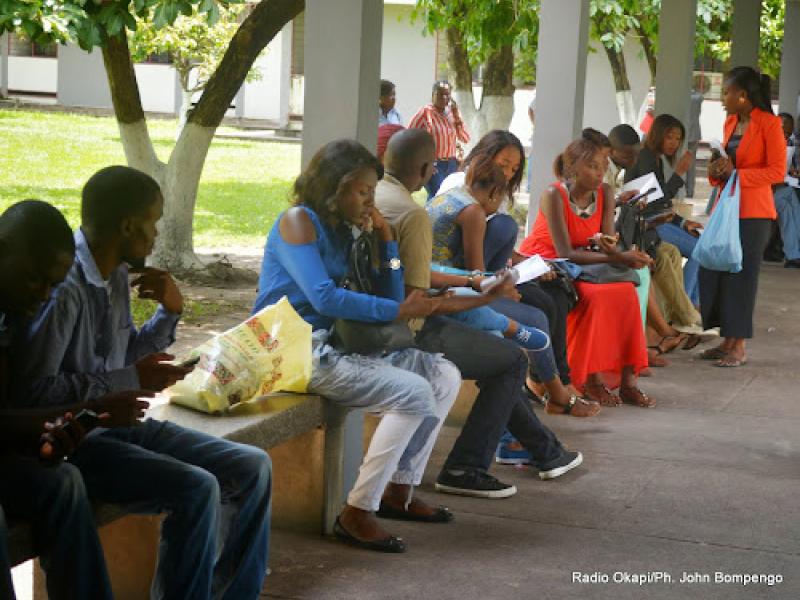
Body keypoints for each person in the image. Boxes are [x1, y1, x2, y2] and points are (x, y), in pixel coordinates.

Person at [13, 169, 273, 599]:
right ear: (128, 226)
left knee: (252, 466)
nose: (155, 234)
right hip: (82, 435)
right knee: (197, 488)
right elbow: (35, 392)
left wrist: (170, 314)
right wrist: (129, 379)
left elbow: (121, 354)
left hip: (119, 421)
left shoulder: (115, 274)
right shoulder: (65, 288)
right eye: (153, 222)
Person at [254, 139, 461, 552]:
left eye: (371, 192)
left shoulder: (348, 229)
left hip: (336, 345)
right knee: (414, 391)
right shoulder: (298, 221)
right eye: (362, 191)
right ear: (336, 185)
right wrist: (396, 309)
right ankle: (357, 511)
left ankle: (397, 490)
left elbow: (393, 286)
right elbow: (324, 298)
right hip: (292, 348)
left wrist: (387, 241)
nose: (369, 200)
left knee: (443, 375)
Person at [375, 129, 585, 498]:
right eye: (503, 167)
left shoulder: (383, 201)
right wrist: (479, 287)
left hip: (400, 312)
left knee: (510, 346)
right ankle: (467, 466)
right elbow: (417, 283)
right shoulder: (412, 214)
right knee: (507, 358)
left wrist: (476, 282)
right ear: (428, 169)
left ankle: (544, 449)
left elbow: (406, 272)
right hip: (405, 325)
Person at [0, 199, 156, 600]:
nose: (44, 295)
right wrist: (85, 411)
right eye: (35, 279)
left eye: (53, 284)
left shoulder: (13, 312)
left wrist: (55, 434)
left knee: (64, 480)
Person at [519, 136, 655, 407]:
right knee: (594, 297)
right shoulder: (554, 195)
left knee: (627, 292)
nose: (598, 173)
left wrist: (620, 252)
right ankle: (591, 380)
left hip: (588, 261)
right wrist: (618, 256)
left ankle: (629, 382)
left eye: (602, 166)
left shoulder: (604, 192)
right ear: (572, 168)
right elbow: (564, 252)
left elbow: (607, 239)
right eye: (592, 166)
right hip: (549, 262)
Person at [703, 67, 786, 367]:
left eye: (726, 92)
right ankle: (726, 340)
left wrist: (737, 174)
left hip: (754, 211)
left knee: (742, 275)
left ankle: (738, 347)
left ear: (743, 96)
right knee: (718, 271)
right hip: (726, 206)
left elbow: (777, 172)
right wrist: (717, 172)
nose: (723, 97)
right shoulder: (730, 121)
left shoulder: (769, 123)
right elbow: (725, 164)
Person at [625, 113, 705, 310]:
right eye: (670, 137)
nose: (674, 143)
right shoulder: (645, 157)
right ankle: (684, 306)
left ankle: (691, 303)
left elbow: (659, 204)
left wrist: (683, 223)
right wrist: (679, 173)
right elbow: (656, 198)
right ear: (658, 134)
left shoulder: (655, 159)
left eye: (678, 139)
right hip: (646, 224)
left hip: (657, 219)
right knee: (700, 251)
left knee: (703, 247)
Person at [408, 81, 470, 199]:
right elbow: (409, 136)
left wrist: (457, 116)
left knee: (450, 198)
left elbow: (465, 138)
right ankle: (428, 217)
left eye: (447, 95)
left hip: (451, 164)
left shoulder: (452, 113)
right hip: (434, 164)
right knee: (438, 196)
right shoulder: (426, 113)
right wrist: (423, 161)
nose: (444, 98)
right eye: (440, 94)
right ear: (433, 95)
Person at [774, 112, 800, 268]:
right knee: (787, 209)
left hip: (784, 186)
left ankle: (794, 253)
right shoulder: (766, 143)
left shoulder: (789, 143)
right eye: (783, 131)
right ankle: (792, 255)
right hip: (768, 191)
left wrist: (792, 172)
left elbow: (784, 167)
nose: (786, 135)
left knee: (795, 210)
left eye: (789, 132)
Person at [686, 87, 704, 197]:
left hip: (682, 134)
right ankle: (690, 190)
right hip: (694, 134)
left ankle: (682, 189)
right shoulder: (698, 97)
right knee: (691, 165)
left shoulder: (682, 98)